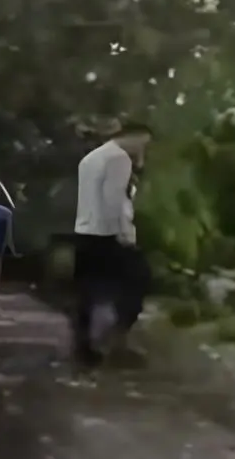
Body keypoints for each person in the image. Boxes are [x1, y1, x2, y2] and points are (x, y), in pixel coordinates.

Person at [71, 122, 153, 366]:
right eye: (143, 143)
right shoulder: (118, 159)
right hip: (109, 233)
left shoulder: (91, 158)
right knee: (140, 279)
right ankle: (119, 339)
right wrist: (126, 235)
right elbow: (114, 201)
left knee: (88, 290)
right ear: (133, 137)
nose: (142, 149)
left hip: (85, 231)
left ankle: (84, 346)